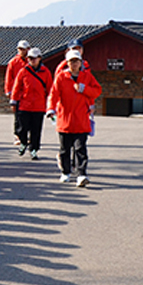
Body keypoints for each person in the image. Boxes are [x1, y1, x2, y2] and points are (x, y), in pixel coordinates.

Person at [47, 49, 102, 187]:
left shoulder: (87, 76)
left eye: (77, 61)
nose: (74, 63)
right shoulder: (61, 77)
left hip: (81, 120)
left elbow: (97, 91)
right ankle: (66, 172)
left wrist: (85, 89)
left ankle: (81, 174)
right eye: (72, 61)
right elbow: (53, 94)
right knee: (65, 149)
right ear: (67, 63)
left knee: (80, 149)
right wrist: (50, 109)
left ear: (80, 62)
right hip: (64, 120)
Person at [11, 47, 52, 160]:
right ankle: (23, 142)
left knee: (36, 130)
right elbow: (16, 87)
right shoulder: (23, 71)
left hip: (39, 107)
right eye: (30, 58)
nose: (32, 60)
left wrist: (51, 105)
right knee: (22, 128)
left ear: (40, 58)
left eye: (35, 58)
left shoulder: (46, 72)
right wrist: (14, 101)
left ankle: (34, 150)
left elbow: (50, 89)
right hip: (25, 105)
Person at [5, 40, 30, 144]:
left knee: (28, 116)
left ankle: (26, 135)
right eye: (20, 49)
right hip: (17, 93)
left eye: (23, 49)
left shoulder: (31, 61)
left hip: (28, 93)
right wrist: (8, 91)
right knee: (18, 116)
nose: (21, 51)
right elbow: (8, 78)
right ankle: (17, 135)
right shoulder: (13, 62)